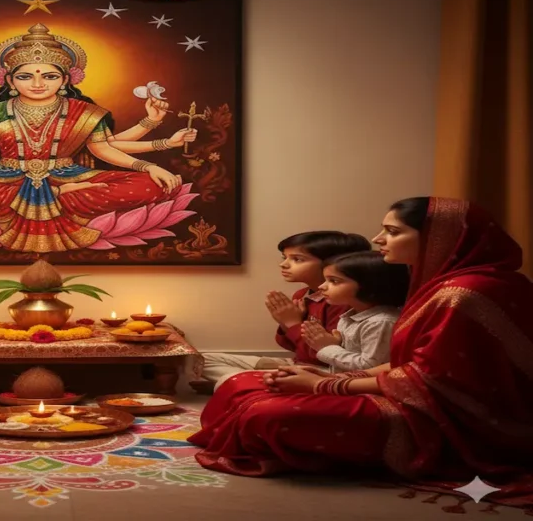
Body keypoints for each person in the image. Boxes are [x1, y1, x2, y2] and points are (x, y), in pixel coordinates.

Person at [188, 197, 533, 508]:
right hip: (403, 392)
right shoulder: (439, 285)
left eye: (392, 231)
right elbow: (406, 364)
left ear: (438, 237)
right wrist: (323, 376)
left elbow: (427, 381)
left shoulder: (464, 294)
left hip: (444, 421)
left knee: (266, 414)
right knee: (242, 385)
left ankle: (309, 454)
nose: (378, 239)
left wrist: (322, 385)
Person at [0, 23, 196, 253]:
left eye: (48, 76)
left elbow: (104, 150)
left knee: (150, 184)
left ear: (64, 80)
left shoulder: (83, 111)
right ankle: (53, 199)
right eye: (25, 76)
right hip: (3, 178)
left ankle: (60, 194)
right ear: (9, 80)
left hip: (70, 176)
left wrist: (147, 167)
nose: (37, 83)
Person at [199, 231, 372, 388]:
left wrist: (293, 323)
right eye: (285, 257)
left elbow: (323, 355)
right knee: (200, 360)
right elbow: (290, 346)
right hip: (300, 362)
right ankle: (244, 381)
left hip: (326, 369)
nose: (284, 264)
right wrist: (284, 323)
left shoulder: (341, 302)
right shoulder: (303, 294)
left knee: (231, 377)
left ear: (333, 262)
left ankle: (243, 382)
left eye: (297, 259)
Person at [304, 251, 409, 373]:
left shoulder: (380, 322)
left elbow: (370, 367)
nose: (322, 286)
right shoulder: (350, 316)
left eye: (334, 281)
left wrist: (326, 347)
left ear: (369, 285)